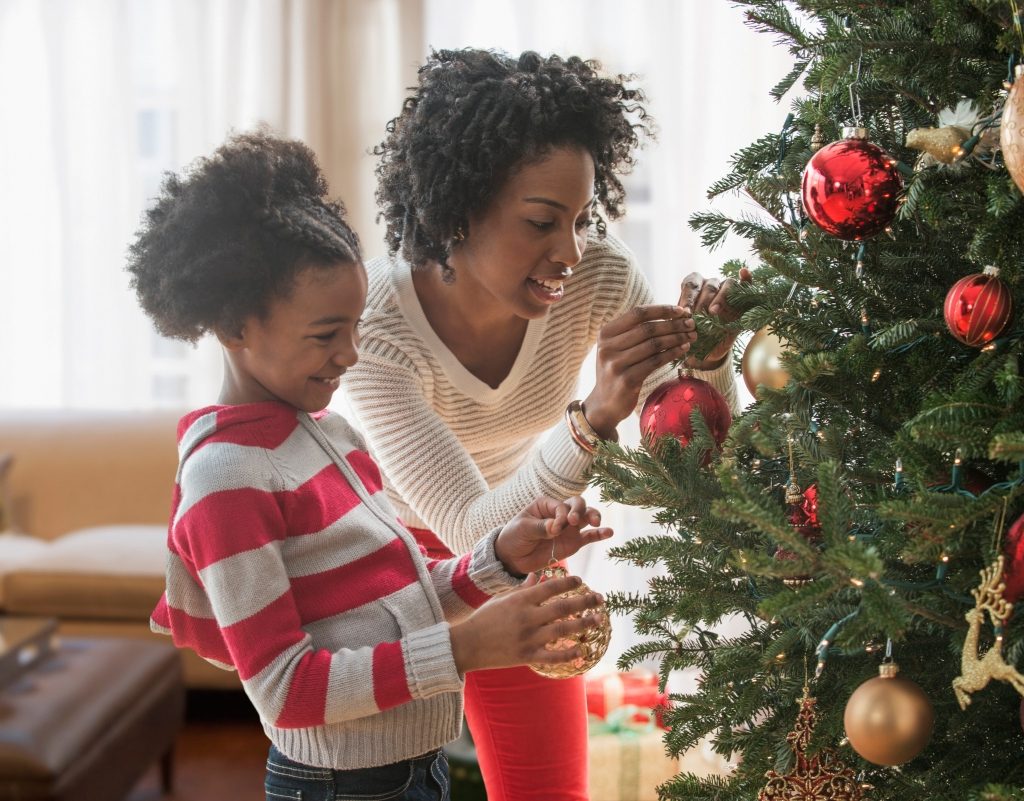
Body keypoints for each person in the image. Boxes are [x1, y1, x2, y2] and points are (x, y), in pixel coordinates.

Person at [126, 129, 614, 801]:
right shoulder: (226, 480)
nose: (351, 354)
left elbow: (396, 605)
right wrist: (468, 650)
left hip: (412, 767)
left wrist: (502, 556)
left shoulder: (332, 434)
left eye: (355, 326)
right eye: (326, 335)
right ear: (237, 327)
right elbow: (286, 688)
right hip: (337, 785)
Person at [343, 48, 744, 801]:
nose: (568, 251)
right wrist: (592, 418)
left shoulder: (598, 274)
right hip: (382, 555)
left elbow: (690, 465)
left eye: (582, 218)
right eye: (540, 222)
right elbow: (467, 527)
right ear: (454, 209)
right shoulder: (377, 325)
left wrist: (710, 362)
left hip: (522, 537)